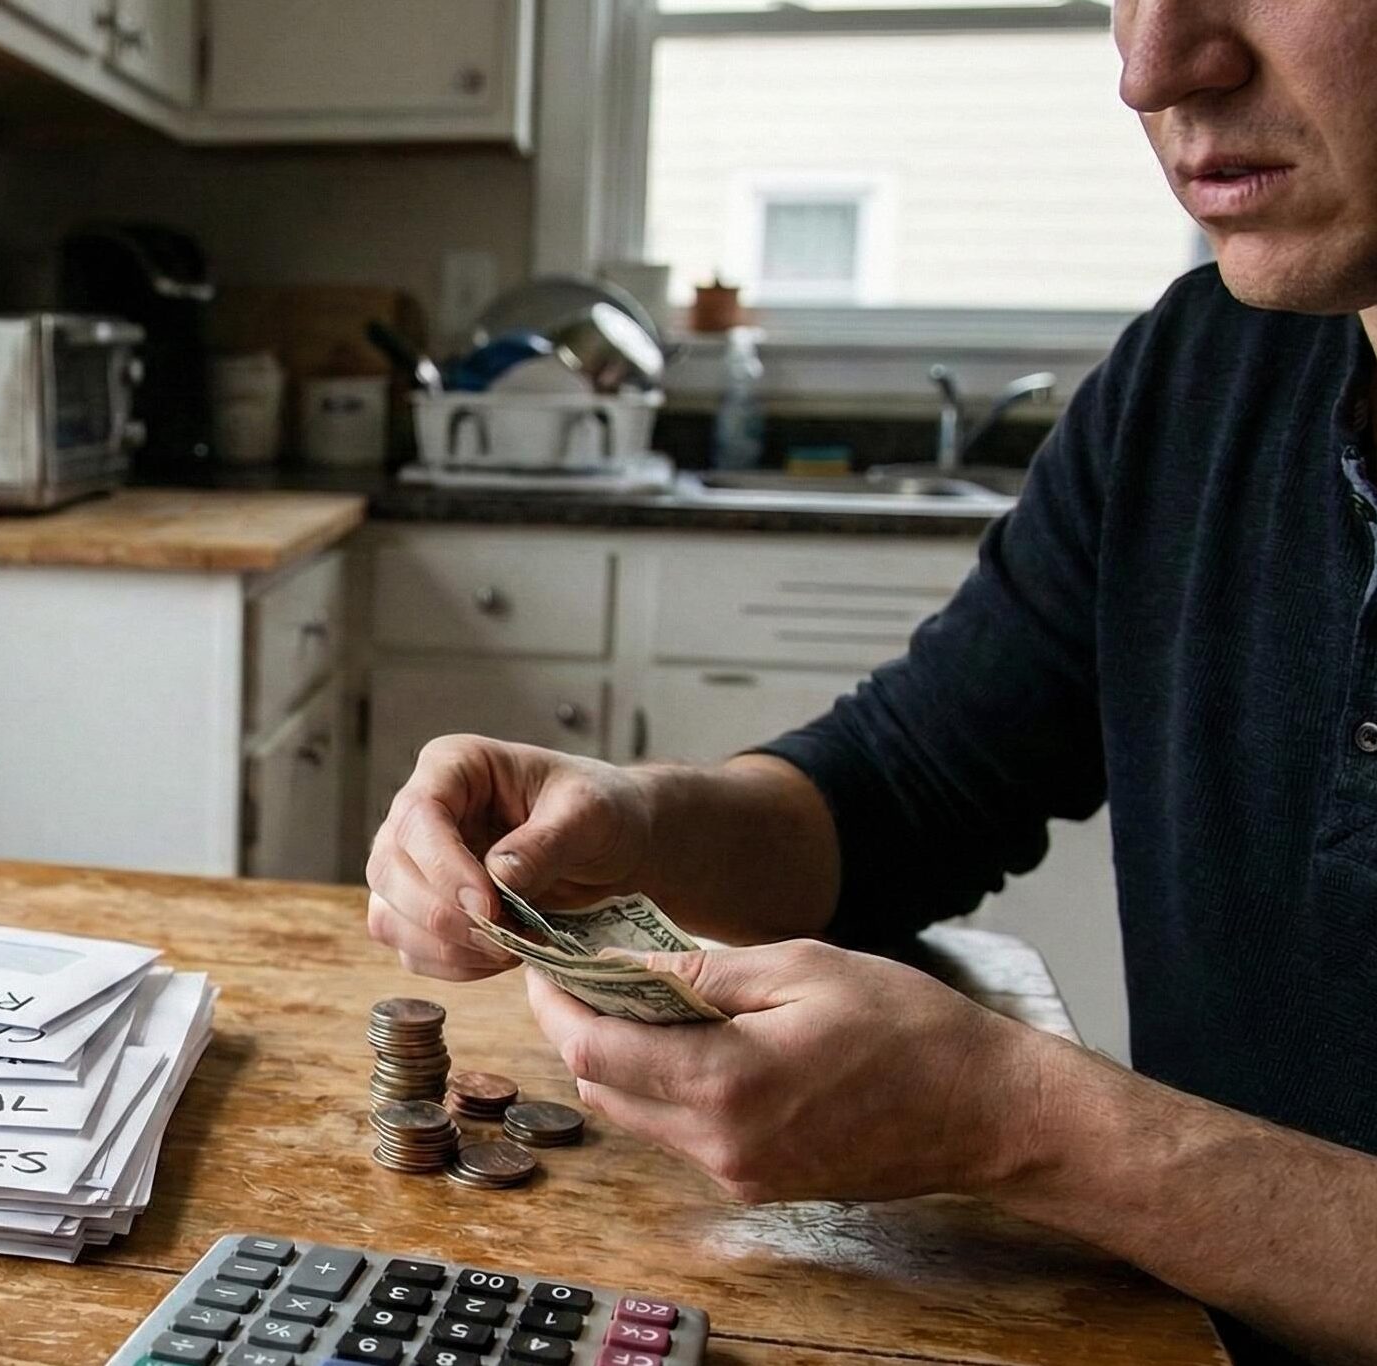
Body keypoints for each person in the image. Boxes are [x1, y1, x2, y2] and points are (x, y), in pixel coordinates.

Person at [363, 3, 1377, 1362]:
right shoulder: (1196, 372)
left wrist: (1028, 1127)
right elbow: (907, 786)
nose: (1154, 65)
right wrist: (628, 816)